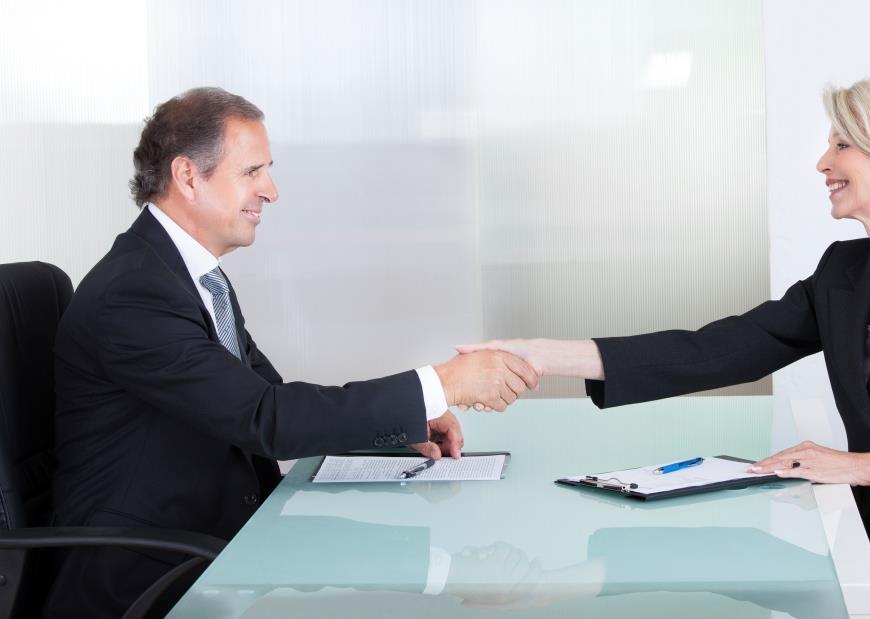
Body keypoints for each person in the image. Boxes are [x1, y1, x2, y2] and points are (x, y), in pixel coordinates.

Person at [458, 73, 870, 618]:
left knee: (742, 562)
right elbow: (719, 350)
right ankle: (559, 585)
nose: (824, 163)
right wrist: (540, 355)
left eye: (842, 144)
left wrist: (861, 466)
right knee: (727, 550)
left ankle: (562, 588)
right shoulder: (845, 275)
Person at [45, 87, 537, 617]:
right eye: (252, 172)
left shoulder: (187, 275)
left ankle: (444, 567)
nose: (271, 191)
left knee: (403, 565)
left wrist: (405, 420)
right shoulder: (134, 294)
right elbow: (266, 419)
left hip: (221, 543)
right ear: (188, 176)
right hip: (145, 578)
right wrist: (445, 382)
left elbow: (270, 398)